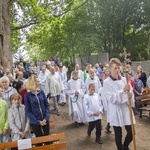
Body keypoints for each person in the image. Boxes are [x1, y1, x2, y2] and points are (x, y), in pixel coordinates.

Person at [103, 58, 135, 150]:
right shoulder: (106, 82)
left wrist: (130, 95)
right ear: (110, 69)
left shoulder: (125, 79)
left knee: (132, 132)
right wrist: (123, 91)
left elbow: (130, 92)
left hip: (125, 109)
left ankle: (125, 146)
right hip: (115, 109)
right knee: (118, 135)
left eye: (118, 68)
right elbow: (111, 98)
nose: (117, 70)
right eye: (115, 68)